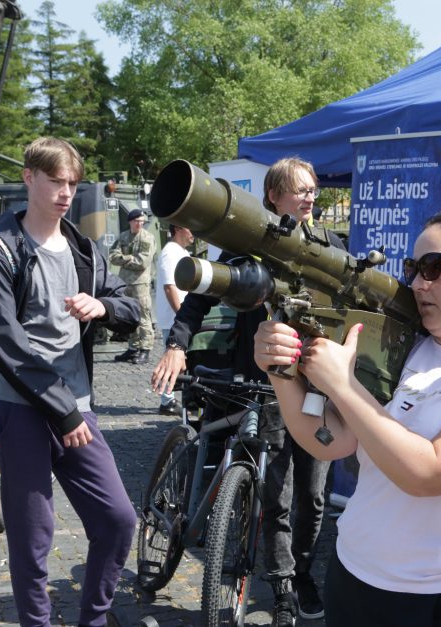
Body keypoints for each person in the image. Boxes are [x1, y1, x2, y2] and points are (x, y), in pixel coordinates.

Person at [254, 203, 441, 626]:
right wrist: (282, 374)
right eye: (413, 267)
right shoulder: (408, 346)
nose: (416, 283)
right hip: (354, 575)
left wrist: (343, 386)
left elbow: (429, 472)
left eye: (434, 267)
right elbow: (333, 442)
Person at [152, 156, 343, 626]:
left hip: (318, 388)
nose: (309, 196)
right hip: (265, 385)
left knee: (313, 496)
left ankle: (301, 572)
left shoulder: (331, 245)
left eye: (313, 188)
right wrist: (176, 345)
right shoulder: (251, 250)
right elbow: (200, 294)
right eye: (299, 189)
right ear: (273, 197)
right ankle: (281, 585)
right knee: (276, 493)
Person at [0, 136, 141, 627]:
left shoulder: (85, 250)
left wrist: (104, 306)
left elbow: (130, 309)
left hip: (77, 407)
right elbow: (7, 345)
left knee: (117, 520)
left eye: (72, 182)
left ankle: (93, 619)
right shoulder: (1, 254)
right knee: (33, 538)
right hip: (21, 409)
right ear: (29, 178)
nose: (67, 192)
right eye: (56, 181)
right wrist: (61, 410)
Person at [154, 223, 193, 416]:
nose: (193, 233)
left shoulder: (180, 252)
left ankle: (173, 398)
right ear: (178, 229)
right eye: (189, 228)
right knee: (172, 359)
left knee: (182, 361)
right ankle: (167, 401)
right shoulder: (171, 252)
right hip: (174, 319)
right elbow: (170, 287)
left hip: (178, 318)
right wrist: (182, 317)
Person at [110, 208, 156, 365]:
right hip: (125, 283)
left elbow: (142, 262)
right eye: (137, 221)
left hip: (140, 283)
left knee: (143, 316)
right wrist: (129, 258)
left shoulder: (147, 238)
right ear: (130, 221)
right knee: (130, 316)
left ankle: (145, 349)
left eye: (142, 221)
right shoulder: (123, 237)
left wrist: (124, 259)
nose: (140, 224)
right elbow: (112, 257)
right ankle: (133, 348)